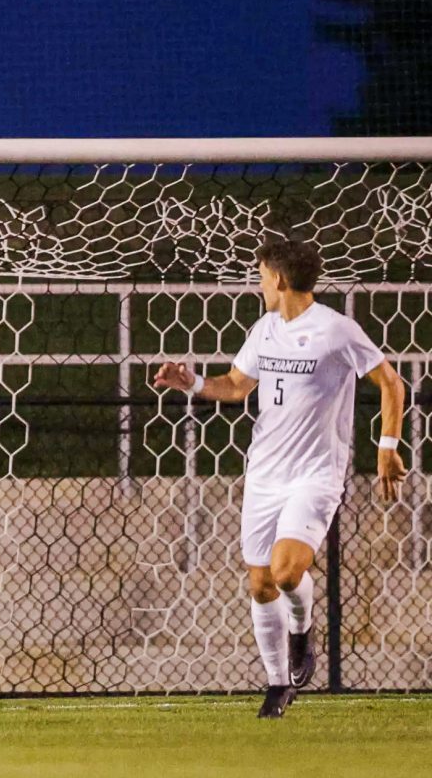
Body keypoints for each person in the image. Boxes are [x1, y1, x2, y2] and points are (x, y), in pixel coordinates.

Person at [153, 235, 407, 718]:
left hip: (315, 475)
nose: (259, 284)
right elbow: (236, 385)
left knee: (288, 571)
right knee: (259, 585)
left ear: (280, 279)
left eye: (263, 275)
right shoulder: (266, 328)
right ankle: (276, 684)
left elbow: (391, 381)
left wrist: (387, 446)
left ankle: (301, 630)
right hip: (264, 474)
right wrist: (193, 382)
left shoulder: (336, 330)